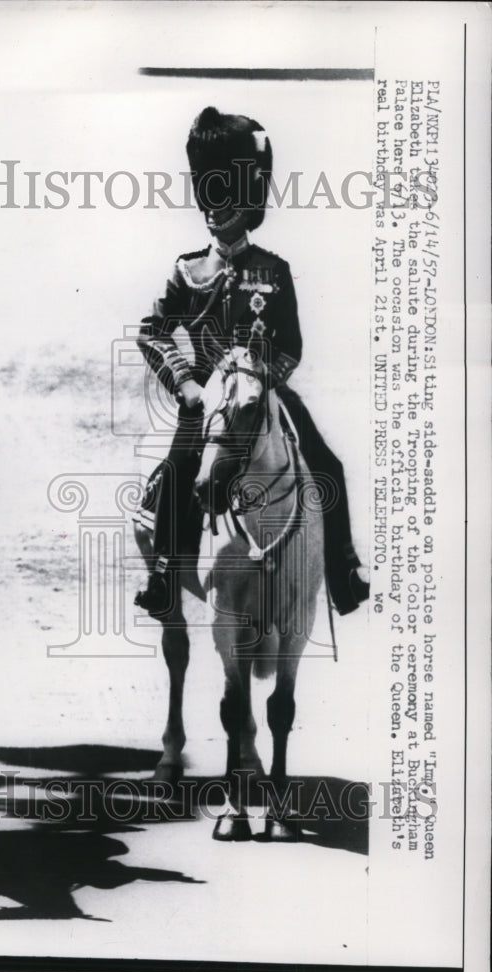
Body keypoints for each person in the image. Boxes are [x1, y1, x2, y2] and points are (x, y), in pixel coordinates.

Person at [135, 108, 369, 619]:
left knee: (327, 464)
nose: (214, 211)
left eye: (226, 200)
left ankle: (343, 571)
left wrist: (265, 381)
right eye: (209, 198)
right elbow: (152, 334)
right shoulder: (186, 270)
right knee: (178, 470)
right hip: (204, 397)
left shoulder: (274, 271)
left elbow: (292, 347)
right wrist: (183, 383)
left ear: (247, 202)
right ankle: (163, 576)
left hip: (262, 391)